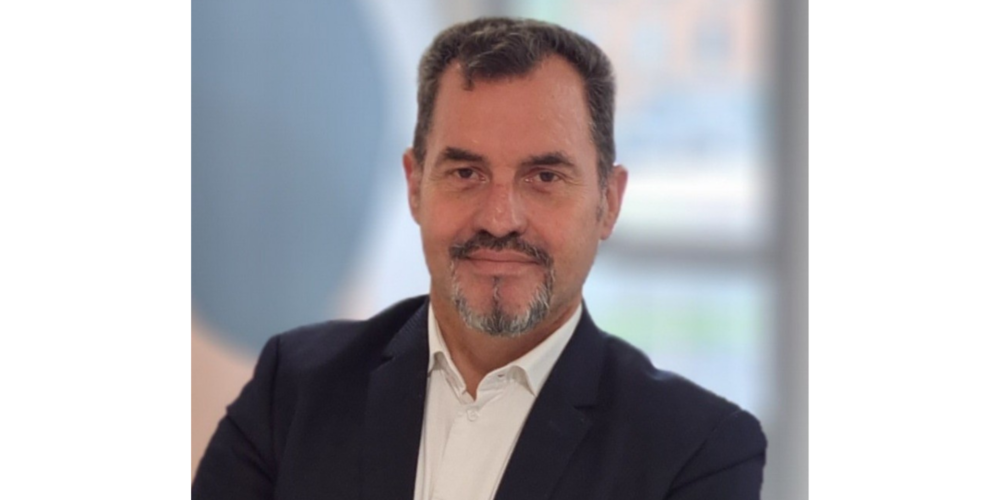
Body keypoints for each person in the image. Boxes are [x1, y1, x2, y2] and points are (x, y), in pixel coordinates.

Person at [193, 17, 766, 500]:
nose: (499, 217)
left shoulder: (698, 450)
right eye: (466, 172)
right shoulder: (293, 389)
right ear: (415, 187)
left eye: (544, 177)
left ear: (608, 203)